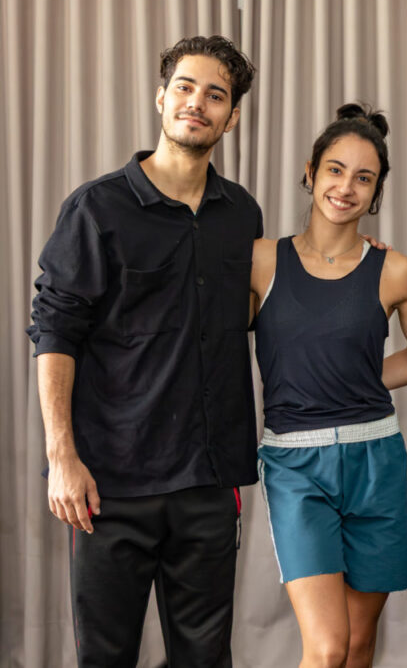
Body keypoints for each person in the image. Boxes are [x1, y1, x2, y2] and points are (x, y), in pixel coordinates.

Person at [27, 35, 259, 666]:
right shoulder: (96, 208)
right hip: (110, 485)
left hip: (208, 483)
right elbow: (55, 330)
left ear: (232, 117)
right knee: (106, 658)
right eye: (185, 87)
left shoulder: (242, 214)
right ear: (161, 99)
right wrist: (61, 456)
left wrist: (356, 256)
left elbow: (268, 304)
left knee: (206, 658)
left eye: (215, 95)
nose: (197, 103)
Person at [250, 104, 407, 668]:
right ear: (310, 171)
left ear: (377, 191)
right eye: (335, 170)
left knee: (359, 645)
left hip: (376, 461)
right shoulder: (260, 260)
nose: (346, 187)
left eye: (364, 178)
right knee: (327, 647)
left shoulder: (397, 271)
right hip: (296, 465)